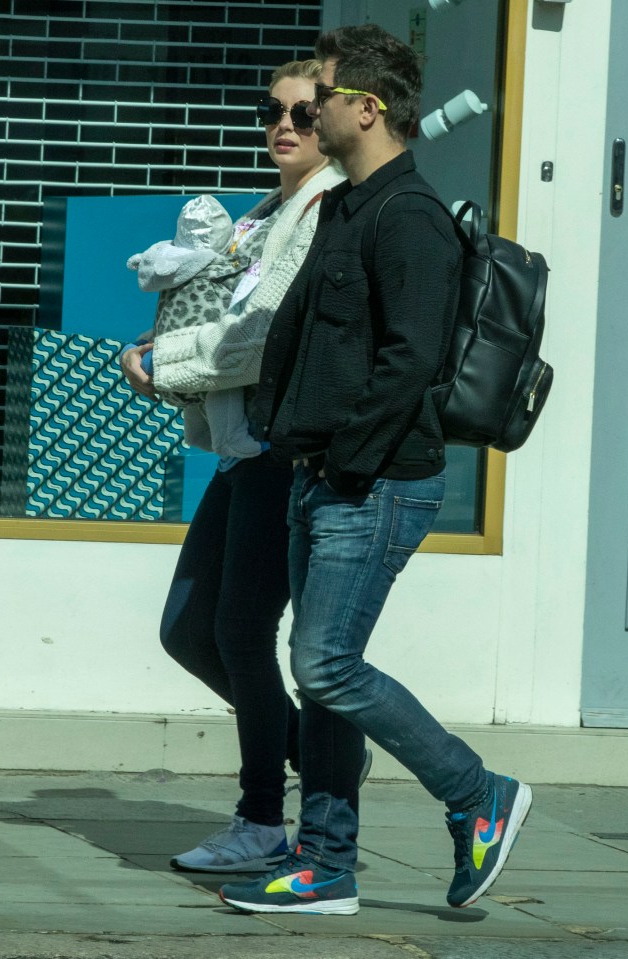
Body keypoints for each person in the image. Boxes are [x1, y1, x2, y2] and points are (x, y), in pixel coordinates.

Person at [218, 25, 532, 915]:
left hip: (378, 480)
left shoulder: (413, 219)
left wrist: (346, 460)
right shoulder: (347, 204)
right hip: (318, 471)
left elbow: (410, 363)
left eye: (319, 95)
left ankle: (479, 795)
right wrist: (287, 435)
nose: (307, 110)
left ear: (366, 106)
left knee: (325, 665)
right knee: (318, 672)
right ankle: (325, 864)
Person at [121, 59, 348, 873]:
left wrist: (169, 361)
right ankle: (316, 755)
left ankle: (261, 818)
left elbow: (258, 335)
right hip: (242, 450)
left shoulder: (325, 210)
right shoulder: (266, 211)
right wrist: (167, 347)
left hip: (283, 453)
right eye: (273, 110)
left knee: (240, 630)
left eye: (304, 113)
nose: (284, 125)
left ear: (337, 121)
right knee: (190, 628)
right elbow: (218, 301)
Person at [126, 193, 261, 458]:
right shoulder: (218, 265)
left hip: (169, 351)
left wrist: (140, 350)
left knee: (216, 377)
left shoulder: (169, 262)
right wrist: (134, 352)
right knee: (222, 383)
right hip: (200, 354)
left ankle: (199, 434)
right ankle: (228, 438)